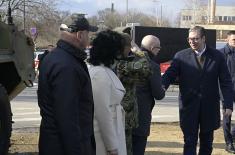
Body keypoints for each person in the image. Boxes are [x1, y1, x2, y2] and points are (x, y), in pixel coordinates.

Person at [162, 26, 234, 155]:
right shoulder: (181, 56)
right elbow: (170, 74)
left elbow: (226, 81)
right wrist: (162, 86)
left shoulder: (217, 56)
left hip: (209, 107)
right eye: (190, 39)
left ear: (203, 38)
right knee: (189, 141)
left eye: (196, 39)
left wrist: (228, 105)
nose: (192, 42)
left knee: (207, 143)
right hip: (188, 107)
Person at [37, 14, 97, 155]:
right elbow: (67, 118)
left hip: (54, 143)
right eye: (88, 34)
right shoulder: (68, 65)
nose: (89, 39)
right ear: (80, 35)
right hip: (64, 147)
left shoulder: (56, 58)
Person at [88, 30, 127, 155]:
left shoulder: (104, 71)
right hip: (103, 138)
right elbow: (102, 112)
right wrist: (112, 146)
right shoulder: (99, 74)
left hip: (112, 131)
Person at [116, 33, 152, 155]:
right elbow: (146, 68)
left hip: (120, 116)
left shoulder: (113, 62)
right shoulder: (121, 65)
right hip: (124, 117)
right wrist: (139, 52)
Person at [132, 35, 165, 155]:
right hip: (141, 118)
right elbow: (159, 94)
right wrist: (162, 87)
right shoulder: (152, 66)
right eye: (158, 48)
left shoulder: (126, 61)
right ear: (152, 48)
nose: (159, 50)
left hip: (123, 118)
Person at [219, 30, 235, 154]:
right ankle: (228, 143)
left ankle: (233, 134)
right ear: (227, 40)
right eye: (234, 40)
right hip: (226, 90)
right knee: (227, 117)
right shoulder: (220, 55)